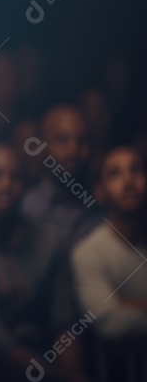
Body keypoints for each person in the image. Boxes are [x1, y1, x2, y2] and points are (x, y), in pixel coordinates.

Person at [0, 144, 87, 382]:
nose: (6, 185)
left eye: (16, 176)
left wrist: (73, 373)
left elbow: (64, 321)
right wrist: (63, 378)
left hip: (46, 366)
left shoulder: (49, 241)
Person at [70, 146, 147, 377]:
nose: (128, 180)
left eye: (136, 169)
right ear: (100, 190)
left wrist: (130, 303)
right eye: (115, 173)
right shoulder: (88, 252)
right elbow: (108, 322)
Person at [21, 104, 100, 245]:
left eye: (81, 141)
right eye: (62, 140)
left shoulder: (102, 206)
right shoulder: (28, 209)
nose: (73, 151)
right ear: (42, 146)